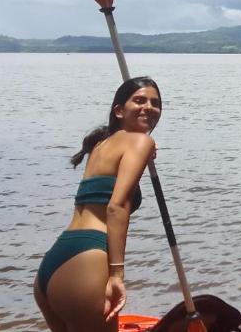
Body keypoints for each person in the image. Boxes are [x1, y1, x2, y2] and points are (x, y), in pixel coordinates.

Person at [34, 77, 162, 332]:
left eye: (155, 103)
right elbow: (117, 206)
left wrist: (144, 149)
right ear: (118, 110)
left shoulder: (101, 144)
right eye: (139, 100)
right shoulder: (139, 142)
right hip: (88, 263)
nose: (148, 106)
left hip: (54, 265)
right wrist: (116, 274)